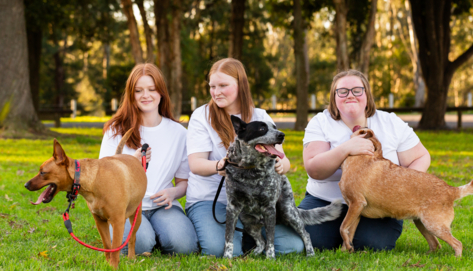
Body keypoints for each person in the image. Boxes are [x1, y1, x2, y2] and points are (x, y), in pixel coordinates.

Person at [299, 69, 431, 251]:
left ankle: (353, 235)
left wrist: (402, 185)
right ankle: (334, 234)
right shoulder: (320, 122)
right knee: (310, 242)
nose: (350, 95)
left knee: (371, 245)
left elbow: (421, 156)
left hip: (378, 203)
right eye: (342, 91)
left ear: (367, 94)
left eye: (357, 90)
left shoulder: (390, 122)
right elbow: (314, 169)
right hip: (325, 200)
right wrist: (346, 148)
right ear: (334, 97)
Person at [185, 58, 304, 257]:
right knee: (216, 250)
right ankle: (234, 234)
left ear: (241, 85)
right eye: (212, 86)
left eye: (223, 85)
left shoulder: (261, 116)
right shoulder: (201, 116)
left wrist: (282, 165)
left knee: (291, 247)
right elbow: (196, 164)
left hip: (256, 202)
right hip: (210, 200)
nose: (217, 92)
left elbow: (283, 159)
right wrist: (219, 165)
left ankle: (249, 234)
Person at [99, 63, 198, 255]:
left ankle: (157, 233)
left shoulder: (178, 133)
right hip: (125, 207)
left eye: (152, 89)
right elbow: (103, 178)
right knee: (140, 244)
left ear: (161, 93)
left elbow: (184, 181)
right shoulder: (115, 130)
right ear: (131, 95)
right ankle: (148, 236)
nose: (146, 95)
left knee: (184, 246)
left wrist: (173, 193)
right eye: (139, 91)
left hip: (163, 206)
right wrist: (130, 164)